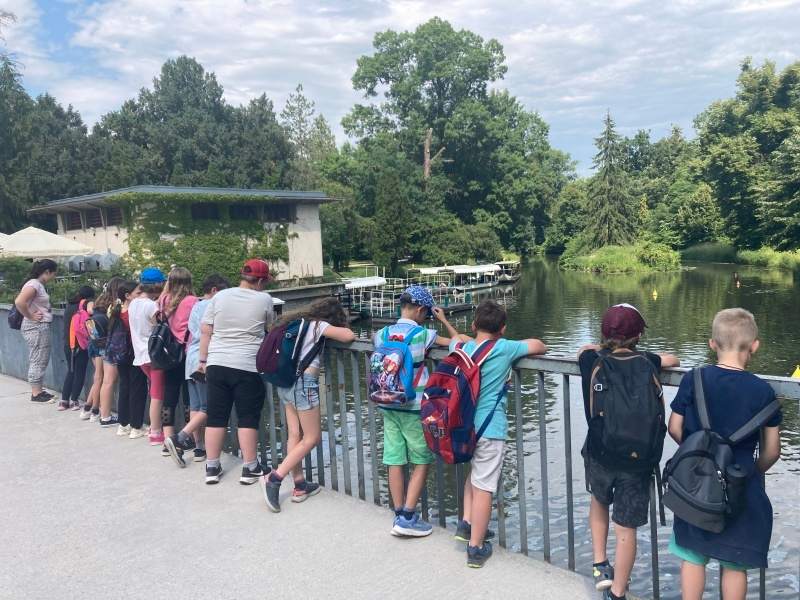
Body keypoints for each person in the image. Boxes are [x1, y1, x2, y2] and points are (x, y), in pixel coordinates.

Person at [667, 308, 781, 600]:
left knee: (692, 555)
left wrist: (697, 452)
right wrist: (752, 471)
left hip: (697, 483)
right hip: (741, 485)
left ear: (712, 344)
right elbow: (772, 450)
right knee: (734, 563)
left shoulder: (694, 379)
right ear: (754, 346)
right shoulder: (763, 391)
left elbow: (674, 427)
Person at [577, 303, 680, 599]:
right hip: (638, 461)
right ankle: (618, 591)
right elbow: (674, 359)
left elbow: (583, 350)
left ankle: (600, 564)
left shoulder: (590, 360)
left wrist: (598, 347)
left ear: (603, 334)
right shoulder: (648, 361)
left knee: (599, 500)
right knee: (626, 529)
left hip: (600, 452)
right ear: (639, 336)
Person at [451, 300, 547, 568]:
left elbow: (455, 340)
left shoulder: (464, 349)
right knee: (485, 487)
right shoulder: (504, 348)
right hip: (490, 428)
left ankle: (467, 524)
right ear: (502, 328)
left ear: (474, 325)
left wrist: (463, 336)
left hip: (463, 427)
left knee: (475, 475)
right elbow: (539, 345)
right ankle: (476, 548)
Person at [372, 285, 458, 537]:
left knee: (394, 458)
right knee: (422, 459)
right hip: (413, 406)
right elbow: (459, 343)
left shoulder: (381, 334)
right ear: (421, 310)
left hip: (387, 401)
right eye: (427, 314)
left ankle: (398, 511)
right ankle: (408, 518)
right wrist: (444, 321)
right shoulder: (423, 335)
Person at [262, 297, 356, 512]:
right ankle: (275, 478)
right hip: (304, 384)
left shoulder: (295, 323)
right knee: (312, 438)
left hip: (285, 383)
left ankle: (300, 484)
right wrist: (341, 326)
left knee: (294, 434)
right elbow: (349, 336)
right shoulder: (318, 326)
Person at [197, 259, 274, 485]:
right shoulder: (264, 299)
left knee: (216, 416)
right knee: (247, 416)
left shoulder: (220, 296)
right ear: (259, 281)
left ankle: (212, 467)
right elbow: (270, 327)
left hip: (216, 363)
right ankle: (250, 468)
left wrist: (203, 360)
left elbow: (206, 330)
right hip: (247, 365)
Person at [164, 274, 230, 467]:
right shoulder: (214, 306)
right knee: (208, 407)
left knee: (195, 406)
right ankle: (179, 438)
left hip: (191, 358)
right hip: (205, 358)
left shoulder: (196, 306)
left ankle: (200, 447)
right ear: (215, 290)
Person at [154, 267, 197, 454]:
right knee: (189, 397)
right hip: (186, 353)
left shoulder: (164, 300)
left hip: (169, 353)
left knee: (169, 397)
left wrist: (167, 287)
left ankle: (167, 439)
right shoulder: (192, 301)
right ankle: (189, 437)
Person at [128, 267, 167, 442]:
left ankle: (154, 427)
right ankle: (156, 432)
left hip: (141, 355)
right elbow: (159, 323)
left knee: (153, 390)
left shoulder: (133, 303)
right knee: (157, 395)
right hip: (154, 355)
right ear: (156, 284)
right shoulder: (151, 306)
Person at [81, 277, 125, 425]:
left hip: (94, 343)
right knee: (103, 379)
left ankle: (89, 408)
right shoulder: (113, 306)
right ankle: (97, 412)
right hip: (105, 345)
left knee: (98, 377)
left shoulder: (99, 303)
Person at [14, 259, 58, 402]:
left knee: (39, 358)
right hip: (36, 327)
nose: (54, 277)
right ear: (47, 272)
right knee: (38, 358)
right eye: (54, 274)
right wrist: (30, 316)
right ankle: (36, 393)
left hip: (37, 326)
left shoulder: (36, 284)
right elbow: (19, 301)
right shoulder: (34, 284)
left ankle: (37, 389)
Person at [107, 281, 143, 437]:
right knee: (137, 388)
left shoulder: (115, 311)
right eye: (138, 293)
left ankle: (123, 424)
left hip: (120, 354)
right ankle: (136, 426)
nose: (141, 295)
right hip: (134, 353)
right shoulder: (132, 313)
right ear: (128, 296)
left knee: (124, 387)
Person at [59, 285, 95, 411]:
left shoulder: (69, 306)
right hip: (81, 344)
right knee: (80, 372)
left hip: (68, 344)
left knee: (71, 370)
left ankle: (64, 401)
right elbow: (91, 312)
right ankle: (74, 401)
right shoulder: (86, 303)